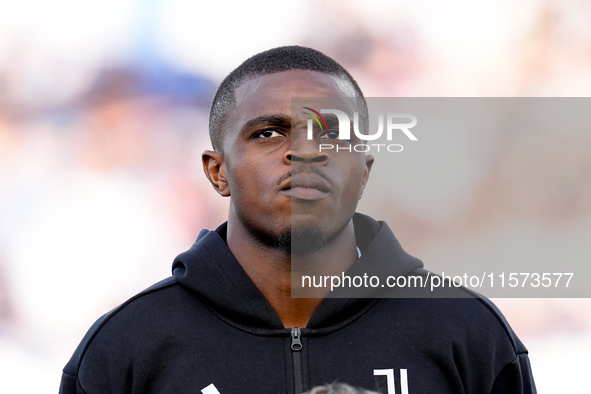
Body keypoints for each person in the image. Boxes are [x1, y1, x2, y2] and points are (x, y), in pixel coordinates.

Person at [60, 46, 536, 393]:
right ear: (217, 171)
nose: (305, 152)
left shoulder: (465, 332)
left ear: (363, 171)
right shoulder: (129, 348)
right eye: (268, 132)